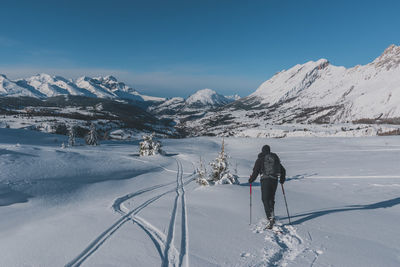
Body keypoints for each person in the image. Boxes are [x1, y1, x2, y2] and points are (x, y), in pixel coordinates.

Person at [249, 145, 286, 229]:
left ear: (262, 151)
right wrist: (282, 180)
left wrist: (251, 180)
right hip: (274, 180)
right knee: (271, 198)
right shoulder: (275, 158)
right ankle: (272, 214)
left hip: (265, 180)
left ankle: (270, 217)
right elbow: (283, 170)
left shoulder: (260, 159)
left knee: (265, 199)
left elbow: (255, 171)